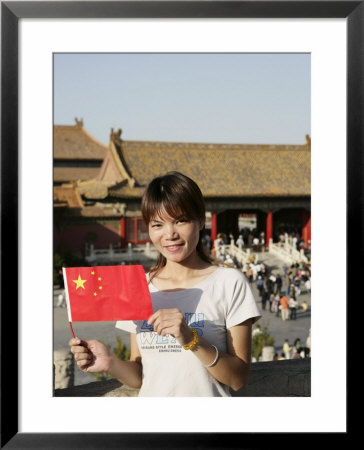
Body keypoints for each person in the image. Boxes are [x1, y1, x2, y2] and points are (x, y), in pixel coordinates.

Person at [69, 172, 261, 397]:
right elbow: (140, 374)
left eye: (180, 221)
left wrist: (190, 338)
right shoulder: (139, 285)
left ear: (201, 221)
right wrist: (110, 362)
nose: (169, 234)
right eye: (158, 224)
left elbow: (238, 379)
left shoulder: (230, 283)